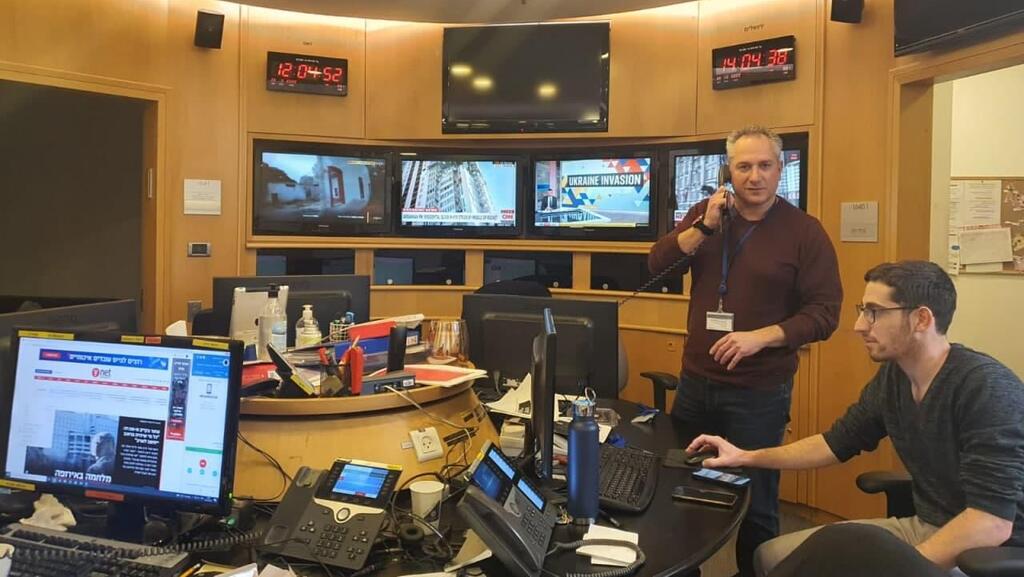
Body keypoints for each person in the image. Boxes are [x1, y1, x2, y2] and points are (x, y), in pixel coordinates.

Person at [687, 261, 1024, 576]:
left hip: (988, 551)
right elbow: (834, 443)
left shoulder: (986, 388)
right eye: (862, 310)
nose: (860, 325)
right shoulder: (894, 378)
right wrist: (746, 456)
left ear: (921, 319)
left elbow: (991, 523)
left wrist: (900, 568)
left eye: (874, 312)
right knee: (771, 556)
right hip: (928, 525)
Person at [648, 125, 842, 576]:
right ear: (727, 172)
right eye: (744, 166)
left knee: (758, 504)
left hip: (760, 392)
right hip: (697, 382)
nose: (755, 176)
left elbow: (825, 314)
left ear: (781, 168)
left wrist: (763, 335)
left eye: (765, 165)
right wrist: (704, 226)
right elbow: (657, 265)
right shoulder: (706, 216)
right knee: (682, 488)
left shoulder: (804, 231)